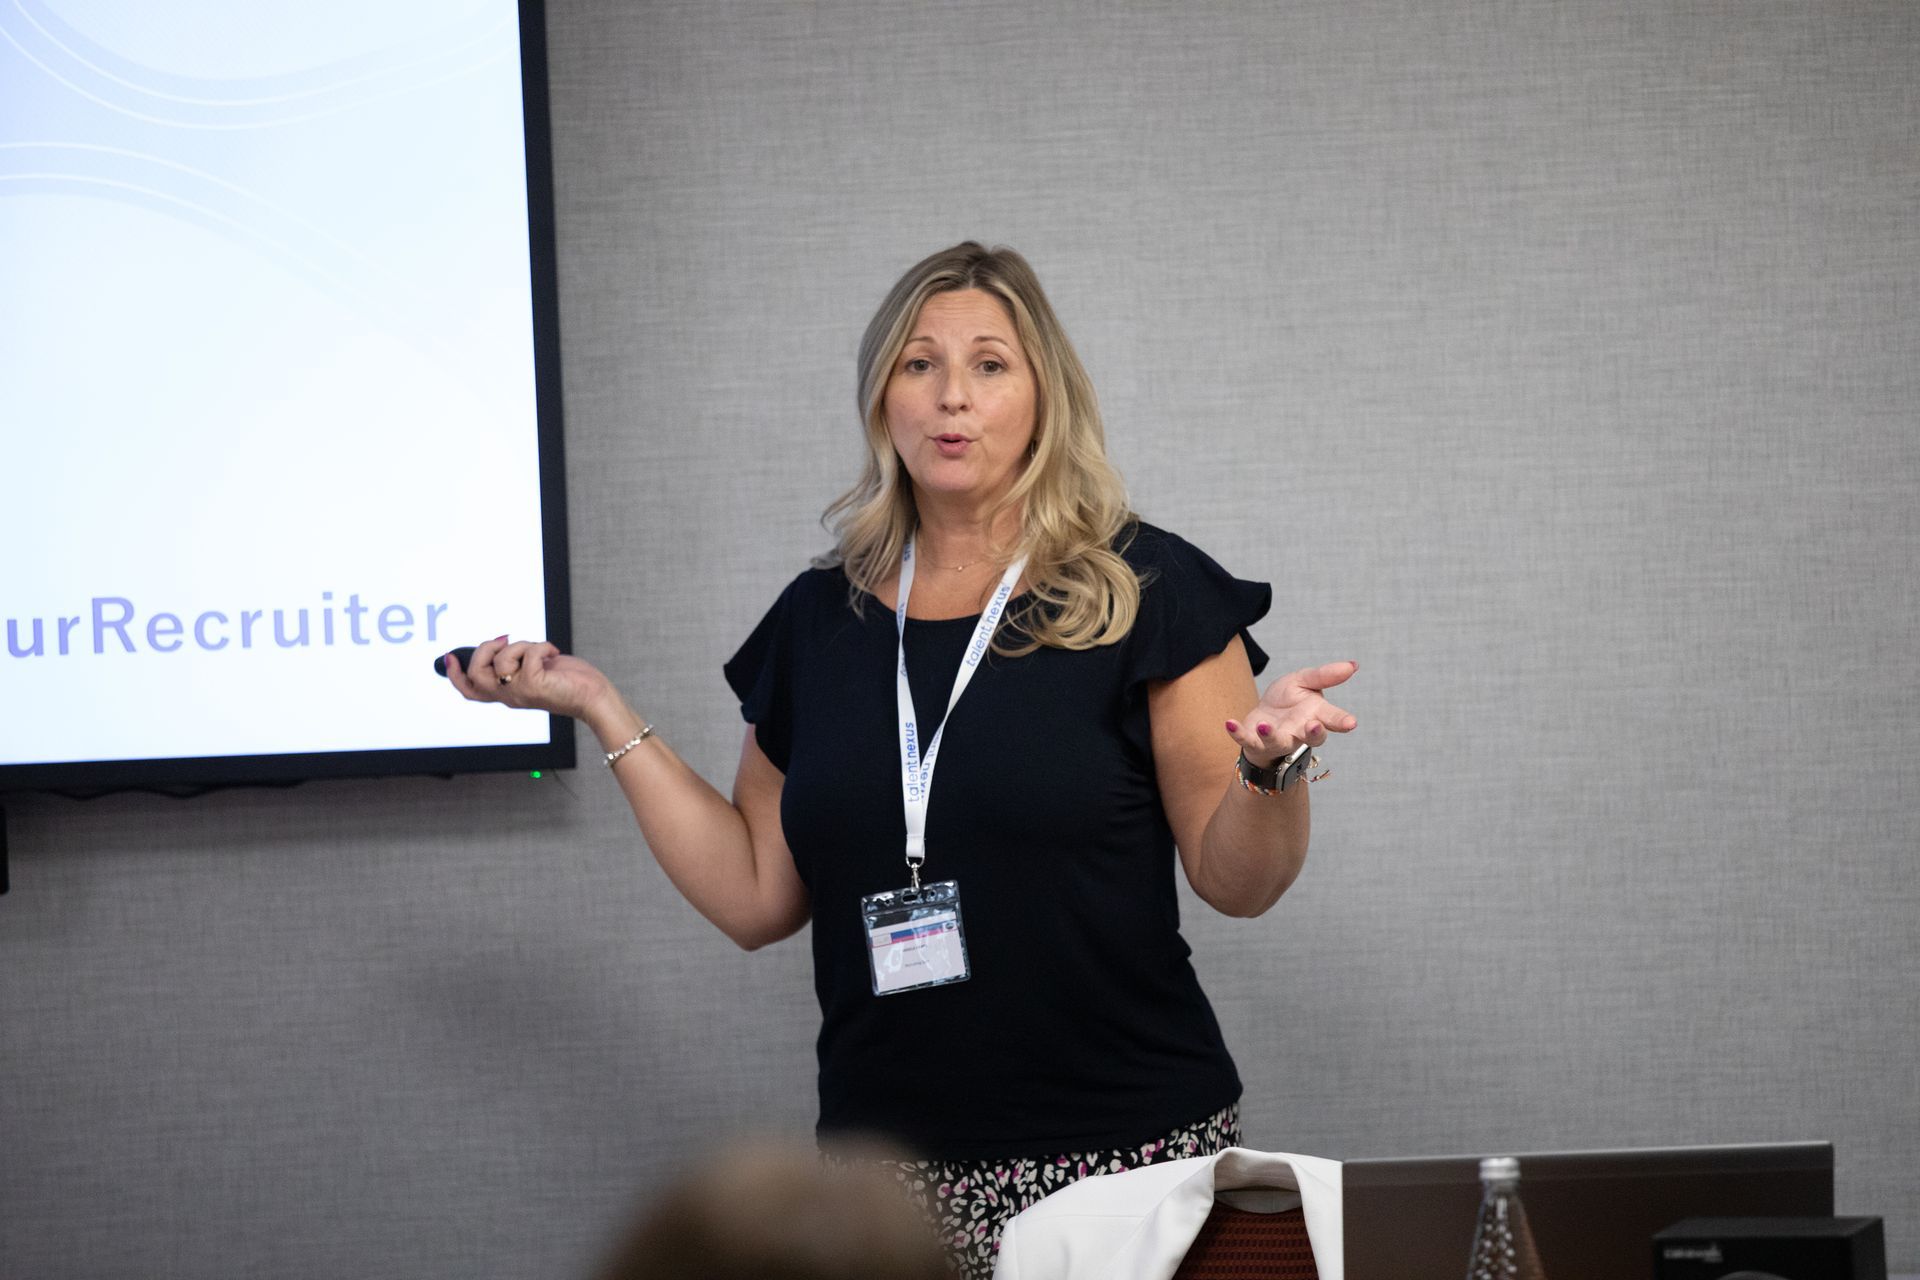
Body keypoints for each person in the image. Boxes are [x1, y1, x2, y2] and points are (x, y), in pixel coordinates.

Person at [445, 242, 1359, 1279]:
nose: (950, 396)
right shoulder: (816, 622)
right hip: (887, 1186)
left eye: (990, 364)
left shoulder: (1145, 588)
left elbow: (1240, 881)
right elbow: (754, 893)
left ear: (1045, 395)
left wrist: (1272, 769)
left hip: (1128, 1157)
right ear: (883, 396)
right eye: (919, 364)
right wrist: (597, 703)